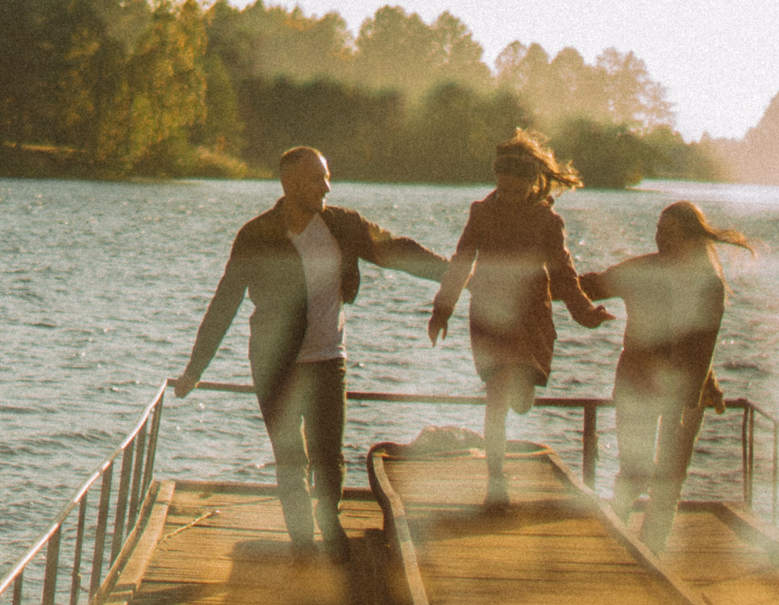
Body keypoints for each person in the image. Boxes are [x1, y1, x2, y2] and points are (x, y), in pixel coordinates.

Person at [173, 147, 447, 559]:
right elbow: (224, 302)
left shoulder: (343, 225)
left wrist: (453, 273)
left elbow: (394, 249)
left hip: (327, 357)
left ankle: (329, 520)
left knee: (328, 453)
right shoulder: (257, 235)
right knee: (289, 455)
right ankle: (301, 539)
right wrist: (195, 370)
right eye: (318, 179)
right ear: (291, 185)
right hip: (273, 360)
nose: (327, 186)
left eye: (327, 177)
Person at [426, 130, 611, 508]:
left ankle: (520, 396)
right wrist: (442, 309)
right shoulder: (482, 212)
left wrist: (585, 312)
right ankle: (496, 483)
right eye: (501, 187)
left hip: (530, 316)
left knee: (521, 399)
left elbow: (563, 273)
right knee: (497, 395)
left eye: (514, 189)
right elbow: (462, 261)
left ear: (532, 183)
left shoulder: (547, 221)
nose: (506, 195)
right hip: (492, 315)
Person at [582, 199, 749, 547]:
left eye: (670, 233)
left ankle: (653, 550)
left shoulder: (709, 284)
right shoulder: (643, 270)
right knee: (634, 471)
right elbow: (594, 285)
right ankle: (616, 542)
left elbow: (699, 347)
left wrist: (701, 390)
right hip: (637, 381)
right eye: (658, 231)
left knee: (669, 480)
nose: (660, 239)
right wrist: (551, 288)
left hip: (686, 392)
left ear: (692, 238)